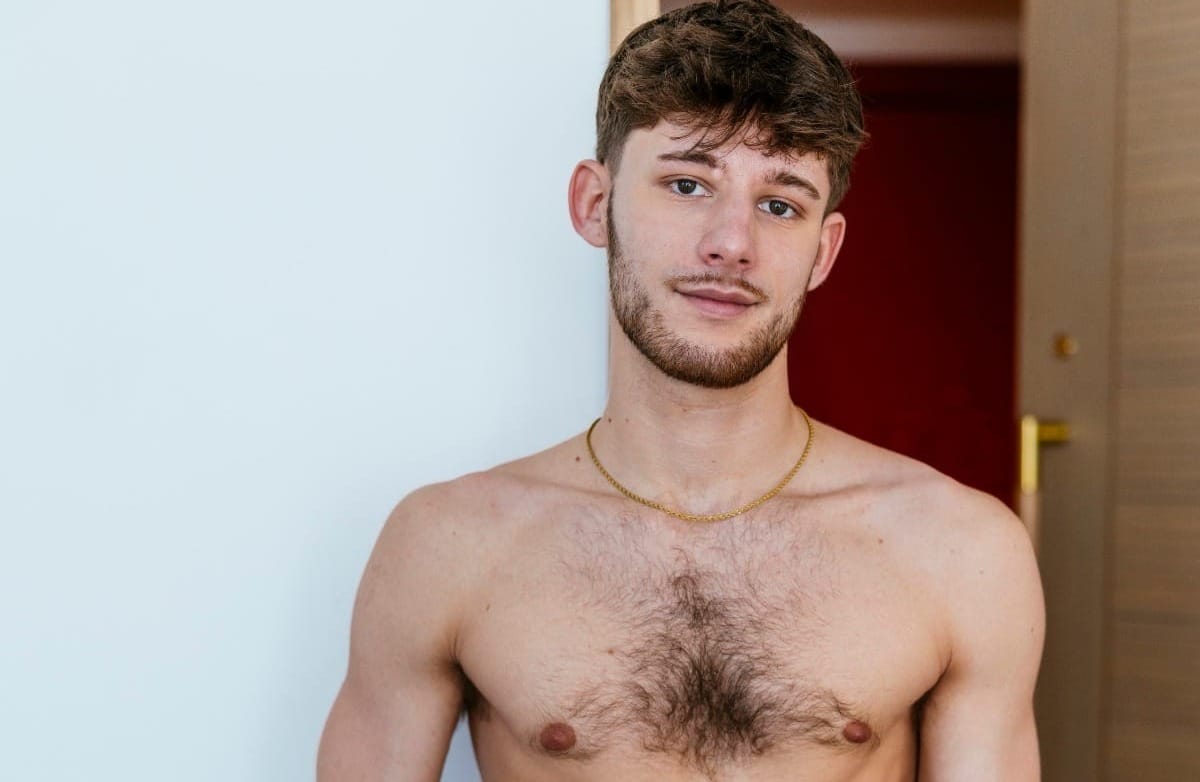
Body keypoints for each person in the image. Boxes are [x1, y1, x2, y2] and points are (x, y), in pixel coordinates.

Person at [316, 1, 1045, 779]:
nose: (732, 243)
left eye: (780, 204)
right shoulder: (448, 544)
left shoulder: (959, 550)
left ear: (823, 252)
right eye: (688, 184)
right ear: (594, 205)